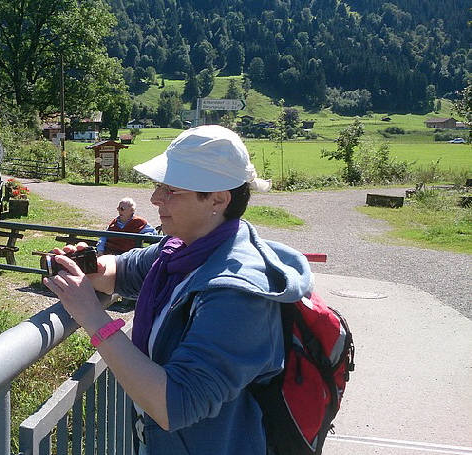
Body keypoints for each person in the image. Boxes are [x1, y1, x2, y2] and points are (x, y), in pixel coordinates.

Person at [43, 125, 311, 455]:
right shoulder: (180, 249)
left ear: (218, 199)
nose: (155, 198)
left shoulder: (238, 295)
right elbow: (123, 271)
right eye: (159, 186)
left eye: (171, 190)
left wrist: (92, 316)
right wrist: (90, 267)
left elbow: (175, 405)